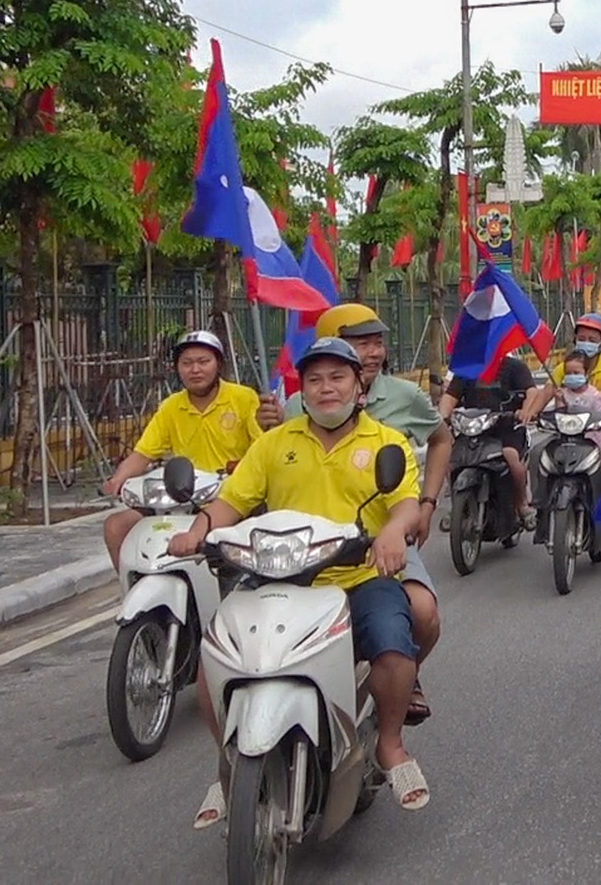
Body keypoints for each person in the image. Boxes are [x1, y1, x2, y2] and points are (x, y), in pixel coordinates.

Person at [172, 337, 430, 821]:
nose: (325, 388)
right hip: (277, 576)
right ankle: (228, 767)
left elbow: (406, 505)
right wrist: (199, 530)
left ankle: (390, 745)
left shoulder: (386, 443)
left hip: (356, 576)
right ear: (302, 391)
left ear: (359, 388)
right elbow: (232, 501)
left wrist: (394, 532)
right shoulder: (274, 444)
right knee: (216, 655)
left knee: (395, 645)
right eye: (314, 379)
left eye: (337, 378)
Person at [259, 302, 446, 725]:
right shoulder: (294, 406)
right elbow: (270, 465)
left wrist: (427, 503)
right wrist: (265, 425)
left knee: (421, 612)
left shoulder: (404, 396)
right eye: (361, 343)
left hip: (381, 536)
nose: (374, 352)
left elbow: (441, 440)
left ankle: (402, 682)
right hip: (306, 547)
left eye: (377, 342)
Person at [101, 331, 260, 568]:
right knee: (116, 526)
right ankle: (130, 594)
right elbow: (143, 454)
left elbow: (263, 447)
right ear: (177, 368)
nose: (195, 369)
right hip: (181, 500)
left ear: (219, 365)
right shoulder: (171, 406)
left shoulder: (244, 399)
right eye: (187, 363)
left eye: (203, 362)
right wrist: (117, 480)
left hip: (230, 498)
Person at [440, 343, 552, 531]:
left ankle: (522, 504)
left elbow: (531, 392)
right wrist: (443, 417)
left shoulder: (515, 367)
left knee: (511, 457)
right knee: (449, 460)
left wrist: (525, 412)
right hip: (473, 428)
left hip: (506, 428)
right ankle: (456, 506)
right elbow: (450, 397)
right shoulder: (467, 371)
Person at [550, 313, 601, 413]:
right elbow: (546, 393)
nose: (586, 343)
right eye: (581, 339)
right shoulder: (566, 366)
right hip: (571, 424)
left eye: (592, 340)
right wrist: (530, 413)